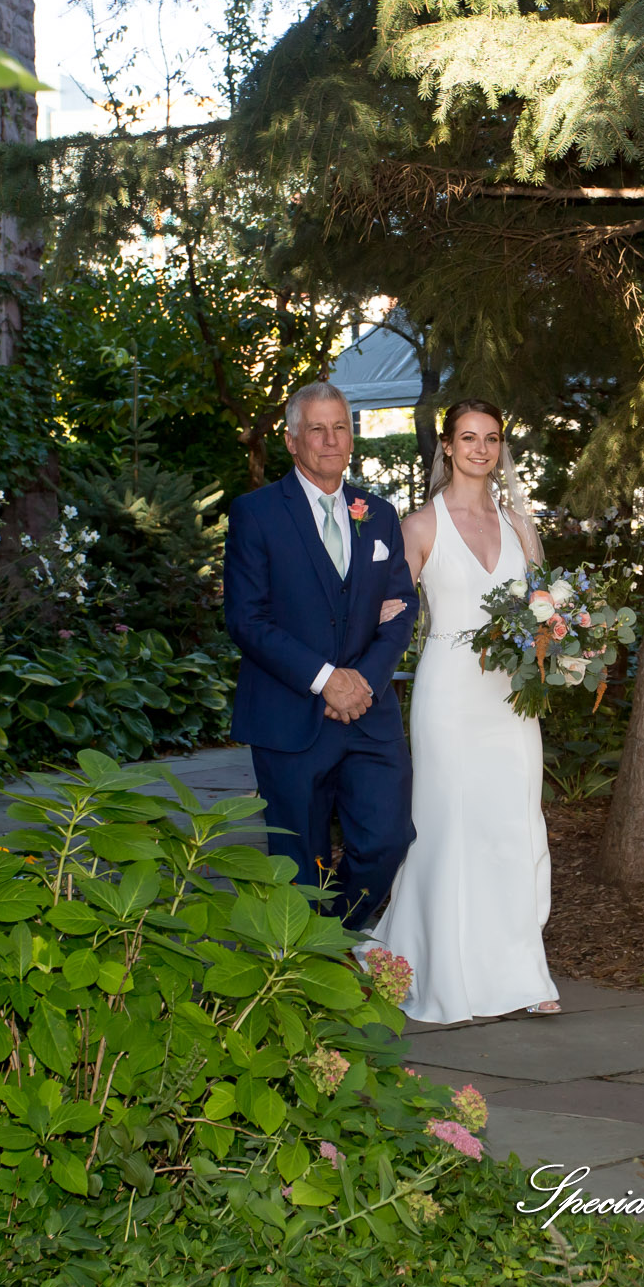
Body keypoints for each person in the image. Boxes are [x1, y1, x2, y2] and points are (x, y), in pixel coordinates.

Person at [368, 399, 561, 1023]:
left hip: (510, 698)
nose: (480, 448)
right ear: (446, 446)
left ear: (502, 448)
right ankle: (439, 971)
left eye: (492, 438)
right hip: (449, 692)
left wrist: (560, 642)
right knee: (447, 827)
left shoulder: (521, 529)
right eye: (468, 437)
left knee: (514, 824)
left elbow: (543, 616)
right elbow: (386, 612)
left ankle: (520, 972)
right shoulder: (420, 527)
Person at [223, 381, 419, 927]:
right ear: (291, 440)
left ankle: (335, 934)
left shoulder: (377, 515)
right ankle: (303, 973)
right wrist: (324, 678)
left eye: (341, 428)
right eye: (317, 429)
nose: (331, 440)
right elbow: (246, 619)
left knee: (388, 840)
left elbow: (402, 605)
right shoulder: (257, 513)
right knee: (297, 862)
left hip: (368, 716)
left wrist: (366, 681)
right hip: (290, 716)